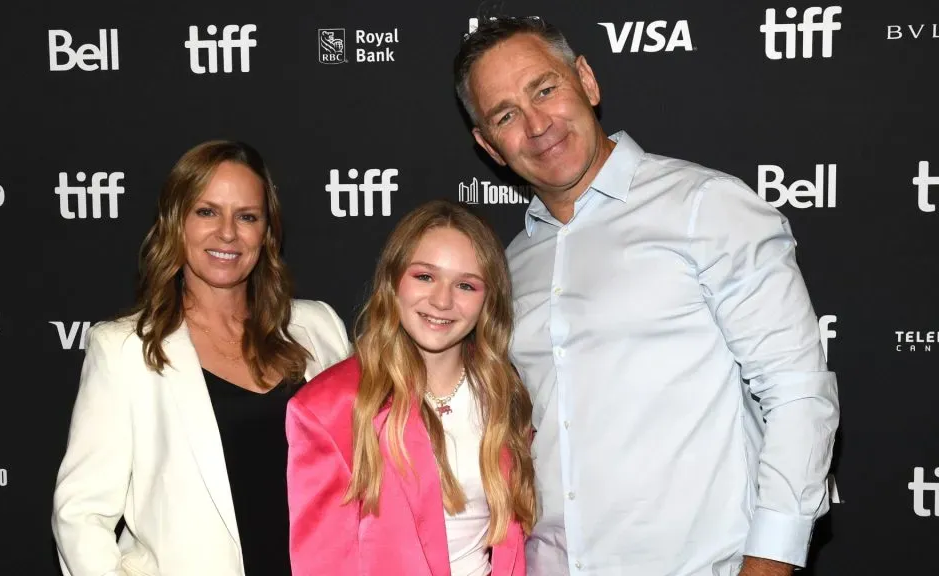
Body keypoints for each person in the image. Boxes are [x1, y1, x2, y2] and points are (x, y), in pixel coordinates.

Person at [453, 16, 840, 576]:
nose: (537, 125)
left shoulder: (706, 207)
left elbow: (798, 394)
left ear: (586, 80)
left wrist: (770, 562)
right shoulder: (509, 266)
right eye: (506, 115)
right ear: (489, 145)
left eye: (545, 88)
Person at [51, 140, 352, 576]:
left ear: (267, 233)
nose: (227, 233)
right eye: (207, 212)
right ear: (176, 222)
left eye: (246, 216)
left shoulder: (318, 326)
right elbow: (80, 516)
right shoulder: (124, 350)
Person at [286, 200, 536, 576]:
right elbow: (323, 564)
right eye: (425, 276)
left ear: (488, 301)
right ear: (393, 279)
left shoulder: (503, 393)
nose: (442, 300)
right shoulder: (330, 407)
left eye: (466, 285)